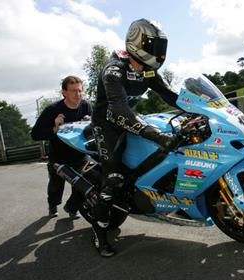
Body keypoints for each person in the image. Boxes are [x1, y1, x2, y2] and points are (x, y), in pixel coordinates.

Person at [90, 18, 179, 257]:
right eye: (155, 47)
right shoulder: (113, 69)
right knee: (113, 179)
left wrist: (201, 110)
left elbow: (169, 95)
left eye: (161, 48)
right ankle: (99, 235)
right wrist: (158, 136)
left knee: (162, 153)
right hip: (107, 124)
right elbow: (118, 110)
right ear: (137, 42)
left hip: (131, 118)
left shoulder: (148, 70)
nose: (159, 53)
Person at [31, 75, 92, 219]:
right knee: (55, 188)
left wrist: (90, 122)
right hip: (58, 157)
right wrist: (54, 128)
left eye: (80, 91)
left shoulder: (86, 106)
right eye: (73, 91)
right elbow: (35, 134)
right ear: (64, 92)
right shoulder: (52, 110)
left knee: (83, 185)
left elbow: (96, 126)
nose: (78, 95)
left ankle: (72, 208)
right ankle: (52, 205)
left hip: (80, 156)